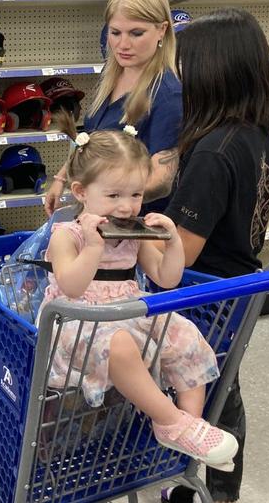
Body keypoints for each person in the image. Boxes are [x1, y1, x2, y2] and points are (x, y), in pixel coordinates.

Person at [41, 122, 238, 471]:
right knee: (119, 344)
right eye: (114, 196)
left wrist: (172, 241)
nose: (126, 206)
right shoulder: (67, 235)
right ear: (81, 191)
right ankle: (173, 422)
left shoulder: (134, 235)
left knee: (184, 334)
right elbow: (70, 286)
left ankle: (188, 429)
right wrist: (94, 248)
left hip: (128, 312)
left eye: (135, 195)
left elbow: (166, 278)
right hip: (77, 323)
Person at [159, 9, 269, 503]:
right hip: (238, 284)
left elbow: (180, 254)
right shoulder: (252, 132)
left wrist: (136, 228)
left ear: (213, 71)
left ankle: (215, 494)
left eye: (186, 64)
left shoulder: (212, 151)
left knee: (212, 397)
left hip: (205, 297)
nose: (179, 74)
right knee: (222, 390)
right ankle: (205, 491)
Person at [45, 0, 181, 217]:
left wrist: (106, 198)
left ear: (162, 30)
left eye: (136, 33)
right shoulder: (113, 75)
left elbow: (162, 180)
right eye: (115, 32)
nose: (123, 44)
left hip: (133, 230)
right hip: (97, 220)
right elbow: (92, 141)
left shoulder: (168, 95)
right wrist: (62, 177)